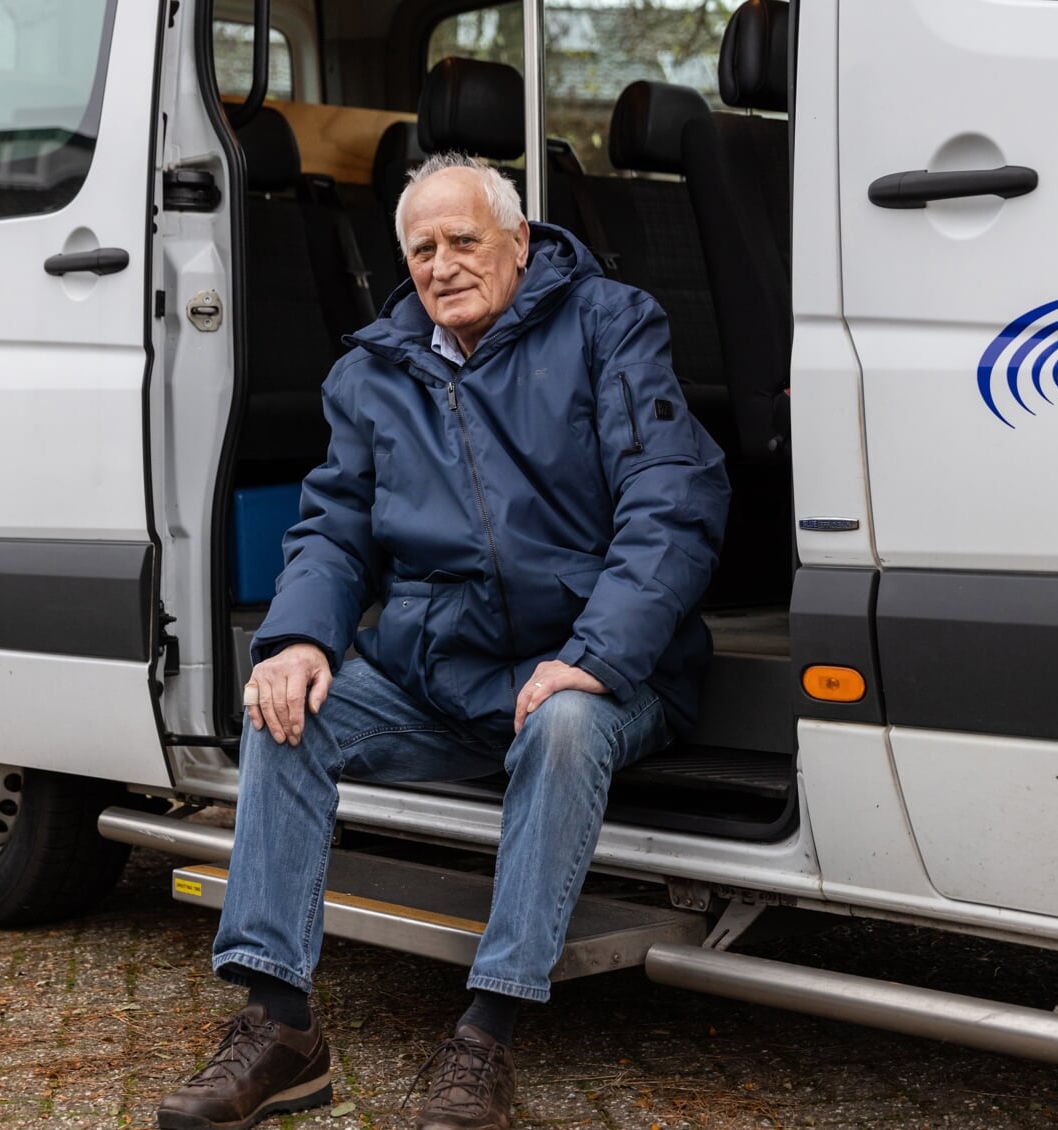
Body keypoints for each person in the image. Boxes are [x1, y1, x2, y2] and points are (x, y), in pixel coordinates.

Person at [157, 153, 731, 1130]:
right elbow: (334, 527)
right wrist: (298, 639)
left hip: (602, 668)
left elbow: (671, 499)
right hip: (442, 674)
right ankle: (280, 1024)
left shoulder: (609, 323)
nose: (441, 263)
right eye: (421, 247)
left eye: (463, 240)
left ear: (518, 242)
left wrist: (594, 651)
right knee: (286, 711)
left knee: (562, 723)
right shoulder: (374, 373)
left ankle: (487, 1034)